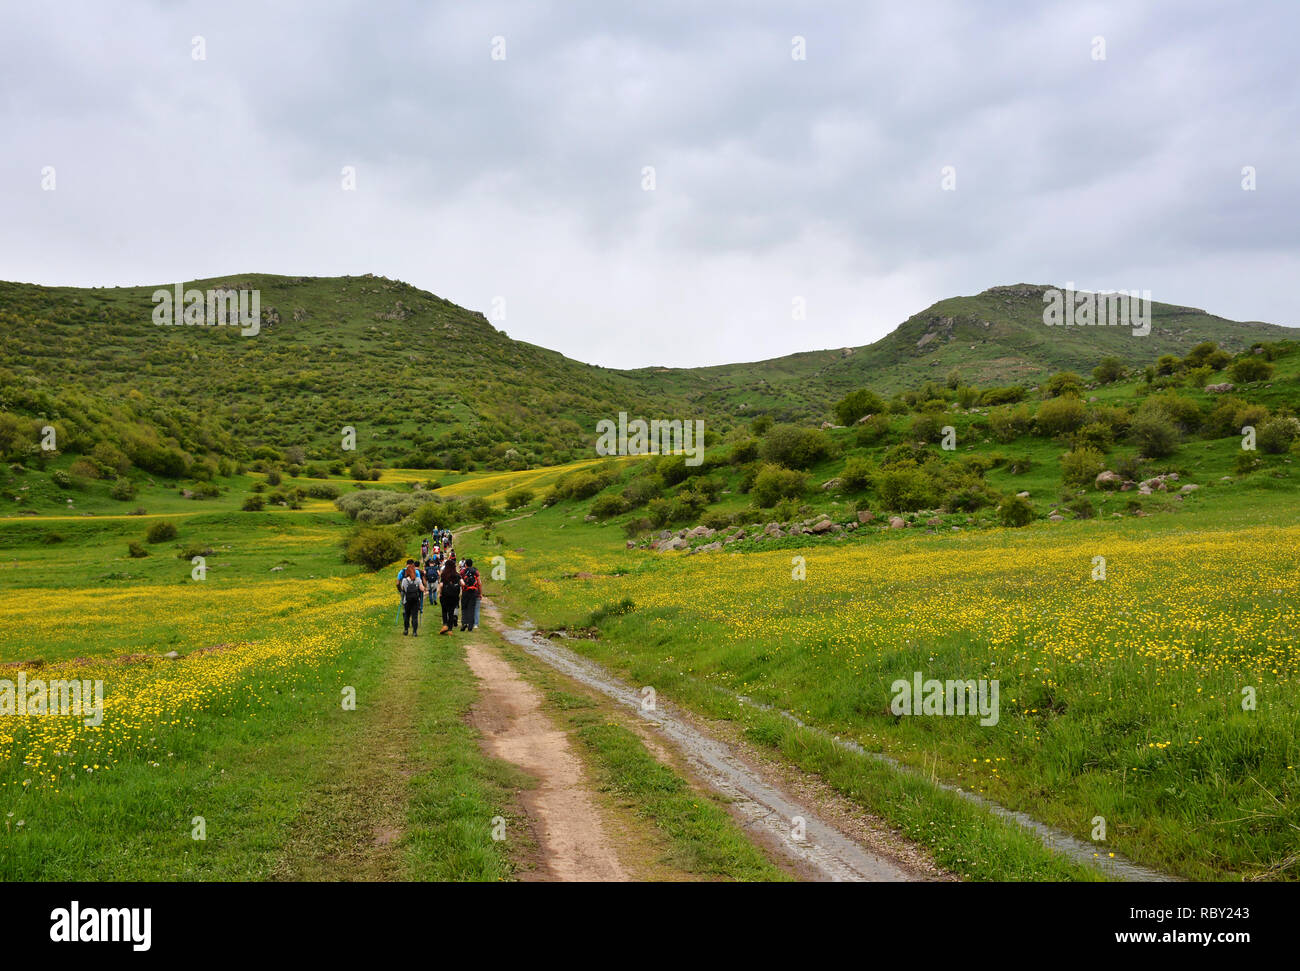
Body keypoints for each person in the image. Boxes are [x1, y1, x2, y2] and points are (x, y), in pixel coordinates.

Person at [398, 561, 425, 636]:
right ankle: (414, 632)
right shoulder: (418, 580)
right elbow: (422, 589)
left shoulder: (404, 580)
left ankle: (406, 630)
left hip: (407, 600)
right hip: (416, 600)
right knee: (415, 616)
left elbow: (403, 589)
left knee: (407, 615)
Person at [438, 558, 461, 634]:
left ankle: (445, 625)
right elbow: (463, 583)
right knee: (451, 612)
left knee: (444, 610)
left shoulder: (444, 574)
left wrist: (440, 593)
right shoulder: (457, 575)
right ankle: (450, 630)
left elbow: (441, 585)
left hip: (445, 595)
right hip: (454, 596)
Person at [459, 558, 481, 632]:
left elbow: (460, 581)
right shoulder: (475, 571)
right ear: (472, 564)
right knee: (471, 608)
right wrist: (480, 593)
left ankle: (464, 622)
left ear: (465, 564)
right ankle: (470, 626)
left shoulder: (463, 571)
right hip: (474, 592)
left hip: (465, 591)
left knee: (464, 608)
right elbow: (479, 583)